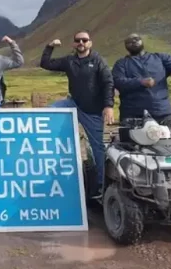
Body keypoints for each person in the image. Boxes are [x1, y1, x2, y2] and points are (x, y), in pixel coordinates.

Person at [39, 31, 114, 198]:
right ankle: (51, 153)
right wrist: (50, 46)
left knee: (97, 148)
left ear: (90, 43)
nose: (81, 42)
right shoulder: (69, 61)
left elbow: (108, 82)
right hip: (73, 103)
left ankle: (102, 186)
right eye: (78, 40)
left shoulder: (98, 61)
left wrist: (108, 106)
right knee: (50, 111)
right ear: (74, 44)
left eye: (84, 40)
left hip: (93, 111)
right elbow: (45, 63)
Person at [112, 33, 171, 123]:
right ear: (125, 46)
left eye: (136, 39)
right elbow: (118, 81)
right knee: (131, 137)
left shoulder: (160, 58)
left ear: (142, 41)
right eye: (129, 42)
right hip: (133, 115)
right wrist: (141, 82)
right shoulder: (121, 64)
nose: (133, 42)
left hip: (162, 113)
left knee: (165, 137)